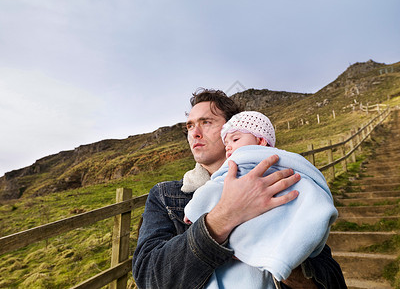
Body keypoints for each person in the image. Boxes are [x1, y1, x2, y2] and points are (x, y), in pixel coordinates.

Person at [132, 89, 347, 289]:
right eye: (189, 126)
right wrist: (225, 216)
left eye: (206, 122)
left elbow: (333, 280)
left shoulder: (283, 184)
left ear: (233, 127)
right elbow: (149, 277)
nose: (194, 133)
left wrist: (281, 259)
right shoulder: (165, 196)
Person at [184, 111, 338, 288]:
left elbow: (215, 188)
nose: (228, 147)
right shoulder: (164, 195)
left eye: (234, 140)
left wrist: (193, 209)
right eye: (189, 125)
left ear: (261, 141)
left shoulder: (242, 163)